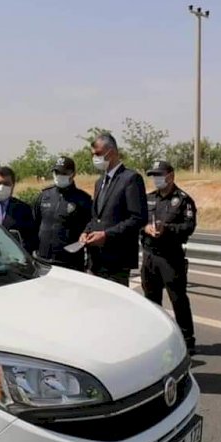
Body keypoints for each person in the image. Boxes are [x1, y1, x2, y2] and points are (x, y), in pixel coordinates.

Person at [141, 160, 198, 354]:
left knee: (178, 299)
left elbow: (188, 227)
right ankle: (154, 338)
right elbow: (139, 221)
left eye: (159, 175)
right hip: (149, 256)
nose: (156, 179)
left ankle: (187, 340)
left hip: (171, 258)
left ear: (170, 176)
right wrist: (145, 227)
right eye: (153, 176)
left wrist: (167, 230)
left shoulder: (183, 200)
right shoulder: (148, 199)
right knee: (150, 300)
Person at [79, 133, 148, 286]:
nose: (94, 158)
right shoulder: (99, 182)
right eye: (93, 154)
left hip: (116, 260)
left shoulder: (130, 179)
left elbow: (138, 218)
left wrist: (106, 235)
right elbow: (96, 216)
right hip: (95, 259)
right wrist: (86, 231)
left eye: (98, 154)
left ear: (111, 152)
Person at [33, 156, 92, 270]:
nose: (59, 175)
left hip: (70, 263)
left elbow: (89, 227)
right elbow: (34, 224)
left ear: (73, 174)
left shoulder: (83, 199)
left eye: (64, 173)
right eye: (57, 172)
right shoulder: (44, 196)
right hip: (42, 261)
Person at [0, 166, 37, 253]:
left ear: (13, 185)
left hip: (14, 261)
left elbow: (32, 239)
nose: (1, 187)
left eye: (6, 184)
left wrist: (18, 252)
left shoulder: (23, 209)